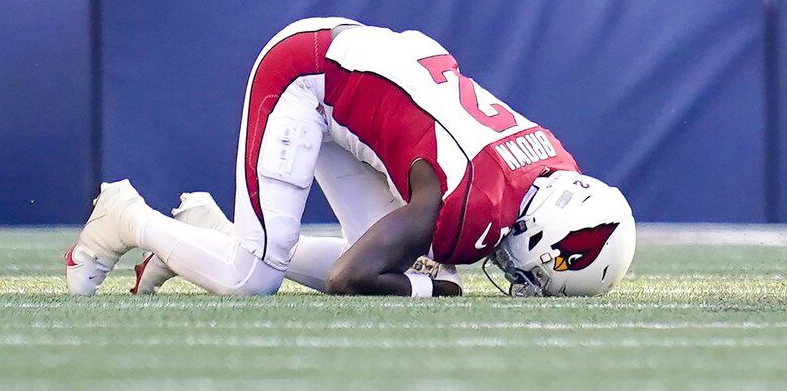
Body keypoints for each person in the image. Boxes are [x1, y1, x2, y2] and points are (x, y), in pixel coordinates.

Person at [66, 16, 633, 299]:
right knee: (250, 281)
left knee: (410, 264)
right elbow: (348, 276)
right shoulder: (471, 202)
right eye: (546, 271)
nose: (529, 279)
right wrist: (432, 288)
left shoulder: (549, 166)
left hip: (365, 78)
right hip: (308, 77)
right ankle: (128, 217)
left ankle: (204, 234)